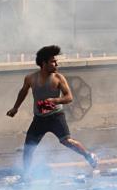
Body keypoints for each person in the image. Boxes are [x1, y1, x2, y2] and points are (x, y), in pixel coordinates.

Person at [6, 45, 98, 175]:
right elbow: (23, 92)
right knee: (28, 148)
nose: (56, 64)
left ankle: (89, 155)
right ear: (44, 63)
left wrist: (55, 101)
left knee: (66, 141)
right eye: (53, 61)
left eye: (56, 61)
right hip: (39, 119)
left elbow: (69, 97)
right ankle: (26, 175)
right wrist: (15, 108)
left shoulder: (58, 78)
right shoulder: (30, 78)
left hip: (56, 116)